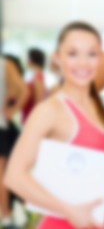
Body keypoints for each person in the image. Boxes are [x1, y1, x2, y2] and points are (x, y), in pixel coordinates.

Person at [4, 22, 104, 229]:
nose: (83, 63)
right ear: (57, 58)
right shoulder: (50, 110)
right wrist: (68, 210)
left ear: (101, 58)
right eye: (72, 54)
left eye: (91, 54)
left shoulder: (101, 110)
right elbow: (14, 176)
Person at [0, 57, 28, 229]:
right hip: (5, 127)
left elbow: (23, 91)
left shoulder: (4, 64)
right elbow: (23, 91)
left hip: (2, 127)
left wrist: (11, 110)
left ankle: (8, 218)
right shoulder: (5, 64)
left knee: (4, 175)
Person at [22, 48, 47, 123]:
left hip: (32, 119)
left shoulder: (38, 77)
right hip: (28, 116)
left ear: (30, 60)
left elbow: (38, 102)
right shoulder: (35, 76)